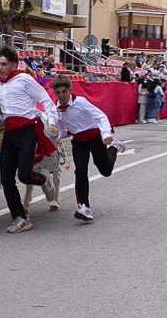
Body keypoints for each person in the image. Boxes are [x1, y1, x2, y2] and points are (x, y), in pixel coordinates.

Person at [0, 46, 58, 234]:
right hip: (9, 134)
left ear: (14, 64)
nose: (0, 68)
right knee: (6, 178)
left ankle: (44, 179)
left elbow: (45, 99)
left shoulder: (24, 79)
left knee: (24, 175)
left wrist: (52, 121)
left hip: (27, 131)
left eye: (4, 64)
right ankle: (21, 218)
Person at [49, 75, 120, 222]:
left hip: (94, 137)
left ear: (69, 90)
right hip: (78, 142)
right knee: (80, 171)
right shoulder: (56, 109)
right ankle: (83, 207)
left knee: (105, 171)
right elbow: (62, 131)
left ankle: (114, 147)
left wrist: (106, 133)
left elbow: (100, 116)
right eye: (58, 92)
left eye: (64, 91)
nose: (61, 95)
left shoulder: (80, 102)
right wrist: (55, 137)